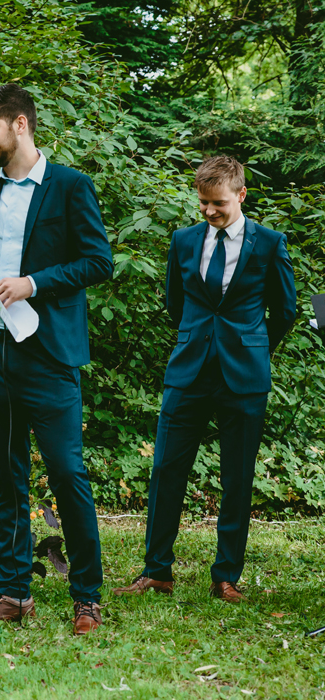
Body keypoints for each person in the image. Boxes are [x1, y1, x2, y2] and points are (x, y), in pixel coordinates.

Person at [0, 84, 113, 635]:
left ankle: (86, 598)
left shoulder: (69, 186)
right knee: (8, 476)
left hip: (47, 354)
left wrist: (34, 283)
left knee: (66, 472)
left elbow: (98, 262)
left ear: (19, 125)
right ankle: (14, 593)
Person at [113, 156, 297, 602]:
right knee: (165, 470)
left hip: (244, 376)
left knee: (237, 477)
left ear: (241, 195)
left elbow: (285, 310)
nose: (209, 211)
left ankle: (225, 577)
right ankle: (157, 571)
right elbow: (175, 304)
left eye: (218, 203)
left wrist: (254, 348)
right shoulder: (183, 240)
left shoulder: (270, 244)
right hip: (189, 371)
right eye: (203, 203)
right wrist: (197, 338)